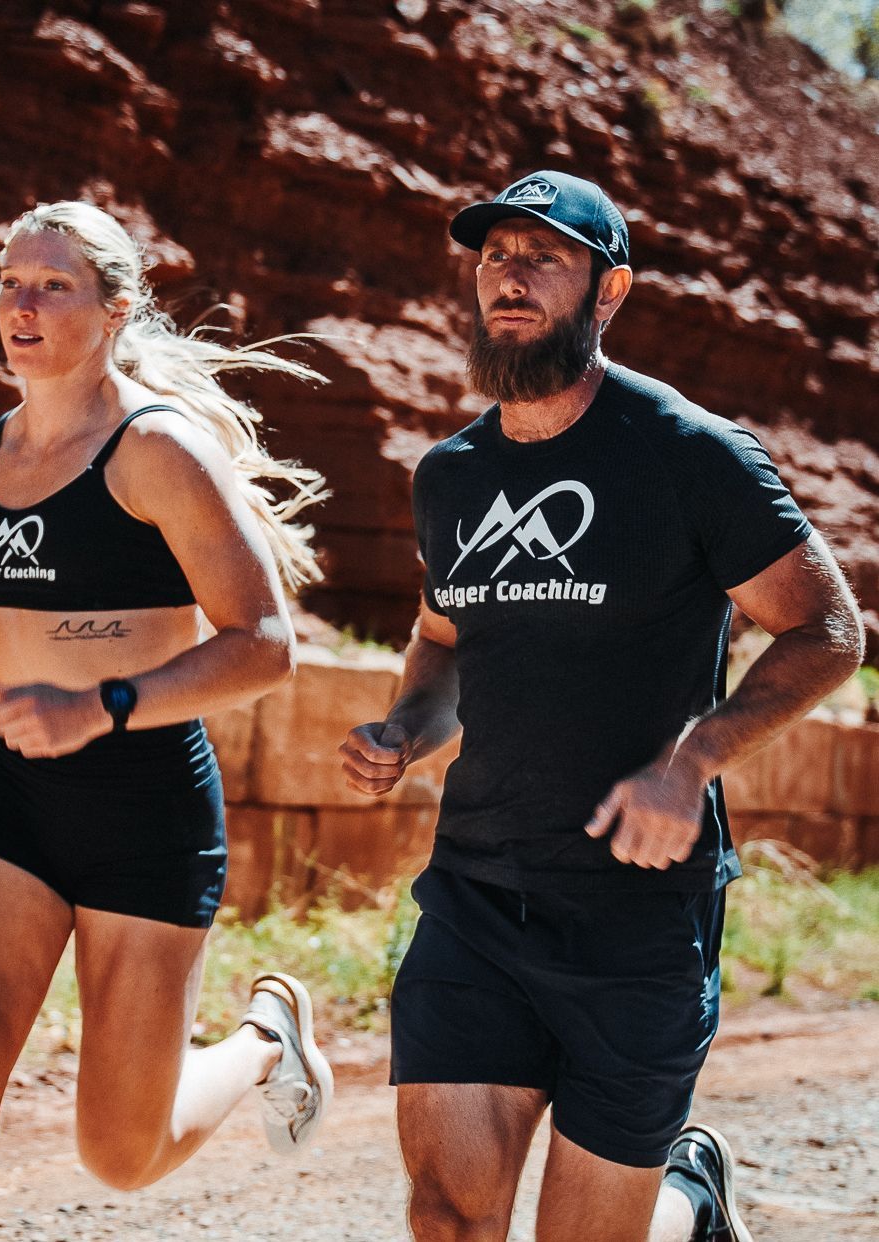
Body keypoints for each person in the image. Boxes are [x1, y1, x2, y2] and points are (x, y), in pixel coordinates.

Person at [340, 170, 863, 1242]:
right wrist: (405, 730)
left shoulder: (690, 454)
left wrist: (692, 761)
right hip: (477, 897)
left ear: (608, 290)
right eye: (495, 256)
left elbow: (828, 630)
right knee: (447, 1218)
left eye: (545, 258)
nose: (510, 277)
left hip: (639, 916)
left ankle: (689, 1201)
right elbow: (445, 641)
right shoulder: (451, 475)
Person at [0, 200, 333, 1242]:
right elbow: (26, 636)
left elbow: (264, 643)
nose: (21, 307)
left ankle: (266, 1039)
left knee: (122, 1153)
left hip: (147, 814)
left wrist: (101, 707)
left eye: (53, 286)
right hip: (19, 804)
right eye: (10, 283)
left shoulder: (155, 449)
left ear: (116, 310)